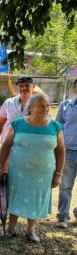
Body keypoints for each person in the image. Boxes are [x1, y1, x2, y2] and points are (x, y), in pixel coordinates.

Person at [0, 93, 65, 243]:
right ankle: (11, 229)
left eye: (47, 106)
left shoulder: (55, 126)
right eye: (41, 106)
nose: (45, 109)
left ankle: (30, 230)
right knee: (16, 196)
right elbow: (6, 146)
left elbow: (61, 151)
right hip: (18, 171)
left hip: (43, 174)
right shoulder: (18, 124)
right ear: (30, 108)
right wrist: (1, 166)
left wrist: (58, 173)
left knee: (35, 198)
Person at [0, 76, 36, 212]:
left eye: (27, 85)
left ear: (33, 87)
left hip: (27, 147)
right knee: (2, 172)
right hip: (7, 145)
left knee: (22, 174)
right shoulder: (8, 102)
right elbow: (1, 122)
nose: (24, 88)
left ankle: (15, 201)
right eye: (21, 85)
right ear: (17, 87)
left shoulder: (37, 104)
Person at [57, 79, 77, 228]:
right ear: (75, 88)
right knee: (65, 185)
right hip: (68, 151)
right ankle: (63, 215)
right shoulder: (65, 105)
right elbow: (56, 129)